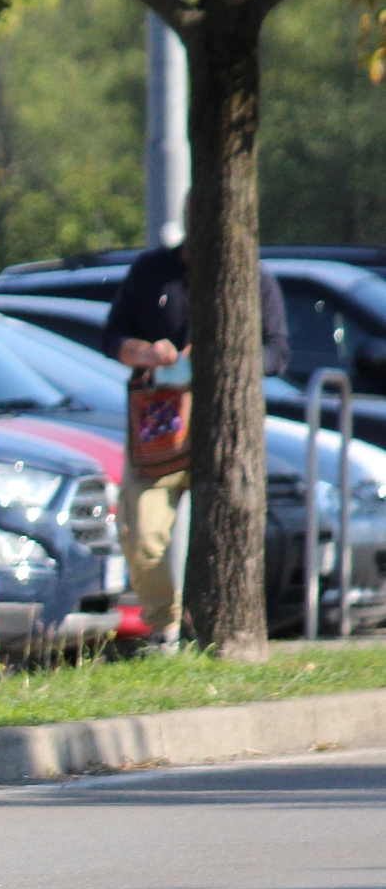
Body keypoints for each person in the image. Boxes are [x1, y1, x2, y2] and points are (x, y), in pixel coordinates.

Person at [102, 222, 290, 650]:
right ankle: (164, 628)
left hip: (224, 425)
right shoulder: (153, 271)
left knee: (224, 532)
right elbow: (111, 336)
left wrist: (224, 357)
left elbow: (278, 352)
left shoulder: (254, 276)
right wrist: (146, 353)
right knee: (141, 530)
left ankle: (213, 626)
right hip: (161, 425)